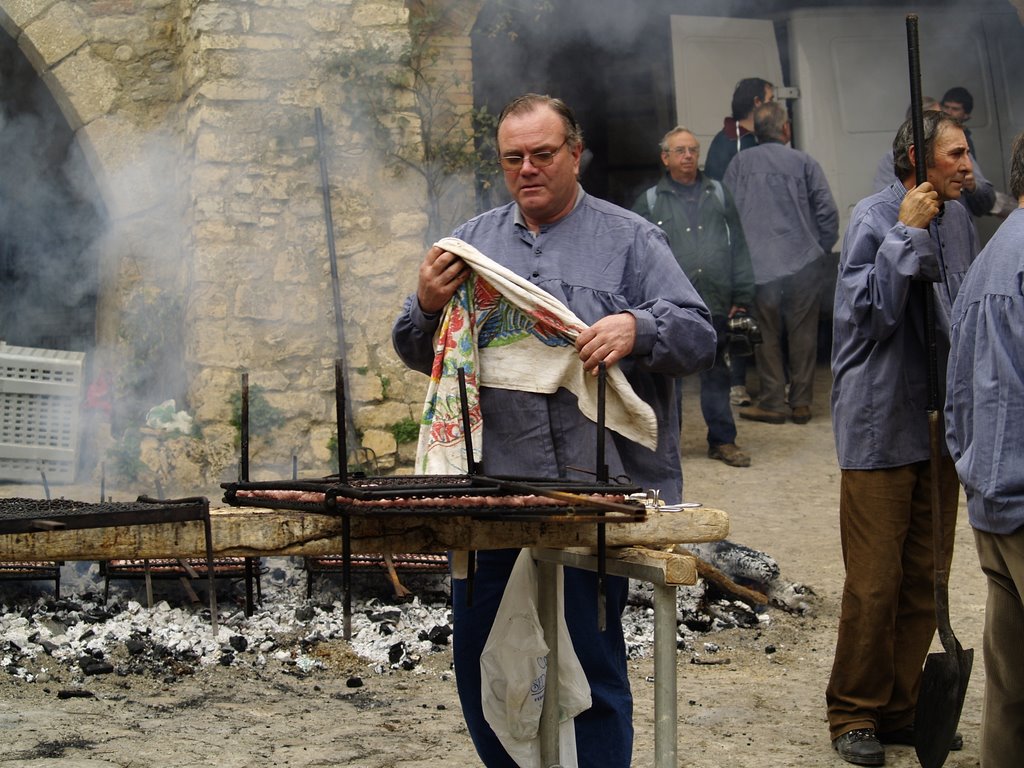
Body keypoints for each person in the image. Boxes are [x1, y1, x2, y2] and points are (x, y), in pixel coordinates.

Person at [392, 93, 716, 767]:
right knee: (486, 665)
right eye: (514, 158)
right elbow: (419, 350)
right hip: (486, 497)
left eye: (543, 154)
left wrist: (639, 328)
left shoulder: (631, 240)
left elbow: (698, 334)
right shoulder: (470, 245)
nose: (528, 169)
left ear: (576, 153)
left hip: (588, 497)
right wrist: (425, 303)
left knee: (588, 672)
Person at [827, 109, 978, 765]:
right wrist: (904, 235)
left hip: (941, 422)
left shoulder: (966, 220)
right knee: (875, 581)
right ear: (917, 159)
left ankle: (902, 706)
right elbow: (870, 318)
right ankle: (854, 710)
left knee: (926, 576)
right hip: (881, 421)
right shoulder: (872, 216)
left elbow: (966, 315)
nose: (969, 165)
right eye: (956, 154)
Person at [946, 130, 1024, 768]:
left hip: (994, 505)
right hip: (1020, 501)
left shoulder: (989, 260)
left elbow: (960, 395)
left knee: (1012, 692)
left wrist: (973, 475)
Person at [632, 126, 755, 468]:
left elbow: (740, 246)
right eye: (680, 150)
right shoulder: (650, 201)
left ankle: (723, 441)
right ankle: (668, 447)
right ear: (665, 157)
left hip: (714, 298)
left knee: (716, 373)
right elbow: (637, 256)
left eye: (693, 150)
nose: (688, 156)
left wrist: (742, 294)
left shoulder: (718, 193)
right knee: (669, 378)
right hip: (669, 304)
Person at [723, 101, 839, 426]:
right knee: (803, 332)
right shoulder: (804, 162)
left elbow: (727, 216)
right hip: (804, 262)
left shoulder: (739, 164)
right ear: (785, 129)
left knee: (767, 334)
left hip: (759, 266)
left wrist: (738, 262)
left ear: (756, 133)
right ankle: (801, 403)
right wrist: (820, 247)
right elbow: (827, 213)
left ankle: (773, 401)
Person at [705, 77, 774, 409]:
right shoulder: (732, 142)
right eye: (773, 100)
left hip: (755, 239)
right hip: (736, 239)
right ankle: (736, 384)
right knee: (738, 308)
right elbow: (729, 197)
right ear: (758, 104)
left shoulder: (748, 140)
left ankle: (756, 382)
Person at [873, 97, 996, 221]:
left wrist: (974, 187)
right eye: (937, 120)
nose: (967, 167)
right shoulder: (890, 161)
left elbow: (988, 202)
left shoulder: (959, 215)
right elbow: (888, 207)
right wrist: (909, 226)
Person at [704, 77, 774, 181]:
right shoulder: (725, 141)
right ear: (757, 102)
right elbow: (717, 188)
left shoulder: (766, 137)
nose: (775, 106)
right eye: (770, 100)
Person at [941, 86, 977, 158]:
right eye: (946, 107)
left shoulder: (964, 141)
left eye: (955, 109)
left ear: (966, 115)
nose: (948, 112)